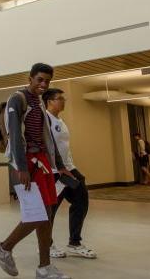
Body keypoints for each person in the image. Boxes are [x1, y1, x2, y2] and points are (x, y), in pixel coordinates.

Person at [0, 63, 73, 279]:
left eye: (47, 81)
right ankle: (4, 248)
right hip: (27, 161)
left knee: (48, 214)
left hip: (42, 161)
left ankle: (44, 267)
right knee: (39, 213)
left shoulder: (39, 102)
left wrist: (60, 165)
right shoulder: (18, 99)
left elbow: (47, 137)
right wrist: (22, 168)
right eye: (40, 80)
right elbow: (16, 135)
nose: (43, 84)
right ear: (30, 78)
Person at [43, 87, 96, 260]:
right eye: (60, 98)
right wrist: (55, 169)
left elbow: (65, 148)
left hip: (68, 169)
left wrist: (71, 167)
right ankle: (46, 245)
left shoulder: (60, 120)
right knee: (50, 210)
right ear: (50, 101)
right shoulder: (45, 120)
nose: (63, 101)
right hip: (53, 172)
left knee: (81, 200)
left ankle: (74, 243)